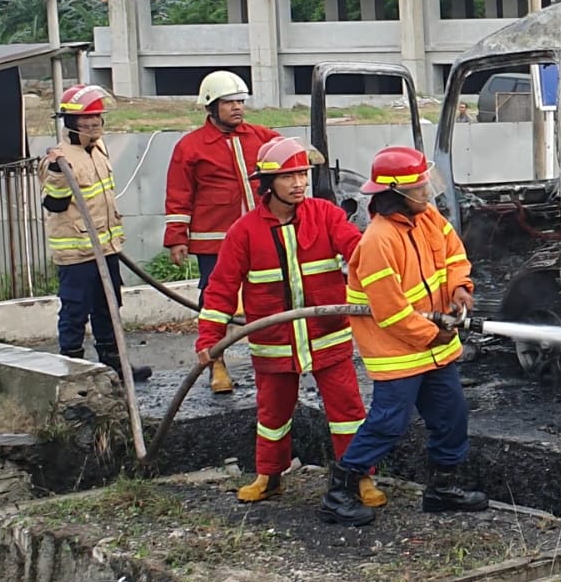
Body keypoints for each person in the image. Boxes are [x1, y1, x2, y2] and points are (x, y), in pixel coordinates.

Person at [196, 137, 380, 506]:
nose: (299, 183)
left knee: (347, 412)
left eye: (302, 174)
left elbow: (359, 253)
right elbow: (220, 290)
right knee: (273, 415)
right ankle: (270, 477)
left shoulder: (326, 215)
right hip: (274, 342)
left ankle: (360, 477)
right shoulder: (244, 232)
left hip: (327, 337)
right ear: (267, 183)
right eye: (289, 176)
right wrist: (209, 340)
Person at [319, 146, 487, 526]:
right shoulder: (378, 241)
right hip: (398, 352)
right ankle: (339, 491)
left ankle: (443, 489)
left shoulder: (428, 218)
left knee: (451, 416)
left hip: (433, 348)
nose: (427, 192)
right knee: (388, 423)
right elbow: (391, 311)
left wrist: (461, 286)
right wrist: (434, 335)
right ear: (396, 193)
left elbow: (453, 255)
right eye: (420, 186)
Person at [164, 70, 280, 395]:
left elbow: (287, 157)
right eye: (229, 103)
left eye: (240, 101)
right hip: (214, 242)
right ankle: (217, 362)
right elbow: (178, 195)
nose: (237, 108)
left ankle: (273, 365)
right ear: (211, 107)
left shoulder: (261, 137)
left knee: (269, 297)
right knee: (215, 304)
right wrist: (177, 238)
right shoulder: (190, 147)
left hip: (260, 237)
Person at [41, 85, 152, 383]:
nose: (93, 126)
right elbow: (53, 203)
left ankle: (114, 365)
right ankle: (71, 370)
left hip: (107, 249)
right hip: (77, 252)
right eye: (86, 121)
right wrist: (55, 172)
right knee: (75, 311)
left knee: (109, 307)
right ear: (71, 123)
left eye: (97, 120)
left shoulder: (99, 149)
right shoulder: (59, 158)